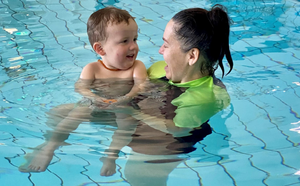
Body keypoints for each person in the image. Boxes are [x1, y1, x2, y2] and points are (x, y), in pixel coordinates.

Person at [100, 4, 234, 185]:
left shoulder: (207, 96)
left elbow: (178, 128)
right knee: (63, 113)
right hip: (146, 119)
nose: (160, 51)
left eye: (166, 44)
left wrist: (133, 112)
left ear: (192, 56)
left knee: (138, 175)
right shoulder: (158, 70)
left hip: (175, 138)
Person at [18, 6, 147, 173]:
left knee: (127, 123)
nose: (133, 46)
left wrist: (126, 98)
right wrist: (94, 98)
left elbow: (141, 86)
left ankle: (111, 154)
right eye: (125, 41)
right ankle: (50, 147)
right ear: (100, 49)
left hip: (123, 106)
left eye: (135, 39)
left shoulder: (137, 67)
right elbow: (81, 87)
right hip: (95, 105)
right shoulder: (92, 69)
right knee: (75, 113)